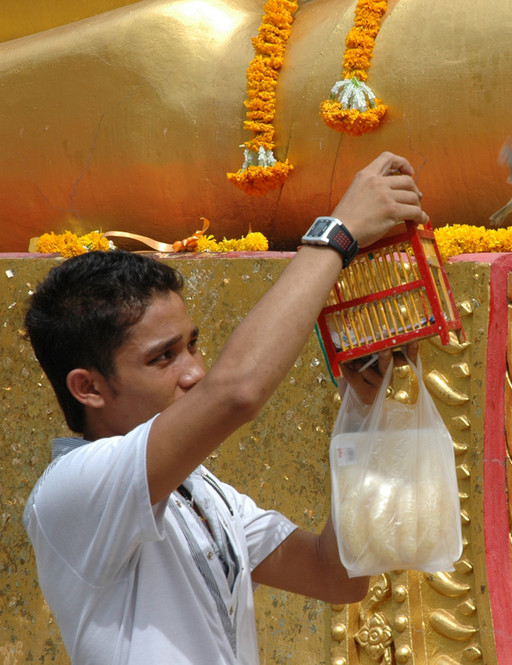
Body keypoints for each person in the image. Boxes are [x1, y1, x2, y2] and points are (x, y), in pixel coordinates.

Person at [21, 152, 428, 665]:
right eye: (163, 357)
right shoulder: (75, 488)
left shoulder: (203, 493)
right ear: (90, 388)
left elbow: (335, 575)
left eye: (192, 345)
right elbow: (236, 391)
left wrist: (364, 409)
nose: (194, 372)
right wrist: (338, 234)